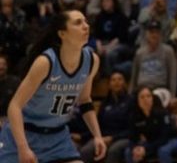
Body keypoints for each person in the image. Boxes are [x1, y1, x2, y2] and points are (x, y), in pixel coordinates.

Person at [0, 10, 106, 163]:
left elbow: (85, 100)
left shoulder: (92, 60)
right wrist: (23, 147)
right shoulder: (46, 62)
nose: (86, 26)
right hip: (24, 134)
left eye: (85, 21)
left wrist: (97, 136)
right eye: (78, 23)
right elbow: (14, 107)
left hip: (57, 138)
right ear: (62, 34)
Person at [80, 70, 133, 163]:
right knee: (86, 151)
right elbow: (98, 124)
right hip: (104, 137)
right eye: (113, 80)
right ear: (109, 84)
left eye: (120, 79)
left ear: (125, 83)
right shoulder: (105, 103)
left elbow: (132, 128)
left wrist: (113, 138)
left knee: (113, 151)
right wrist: (98, 137)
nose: (117, 82)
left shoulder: (131, 101)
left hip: (123, 138)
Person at [126, 86, 177, 163]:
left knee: (163, 151)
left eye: (148, 96)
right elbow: (132, 137)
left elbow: (164, 137)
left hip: (170, 140)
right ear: (137, 100)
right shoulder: (134, 116)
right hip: (151, 142)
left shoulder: (162, 113)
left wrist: (145, 148)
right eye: (142, 97)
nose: (145, 99)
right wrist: (134, 148)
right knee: (129, 152)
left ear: (153, 98)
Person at [130, 20, 177, 95]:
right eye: (151, 32)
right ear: (146, 34)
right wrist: (130, 93)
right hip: (141, 89)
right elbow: (134, 76)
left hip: (160, 89)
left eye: (157, 32)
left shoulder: (168, 51)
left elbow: (173, 75)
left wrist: (172, 95)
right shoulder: (139, 53)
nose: (154, 35)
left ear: (160, 34)